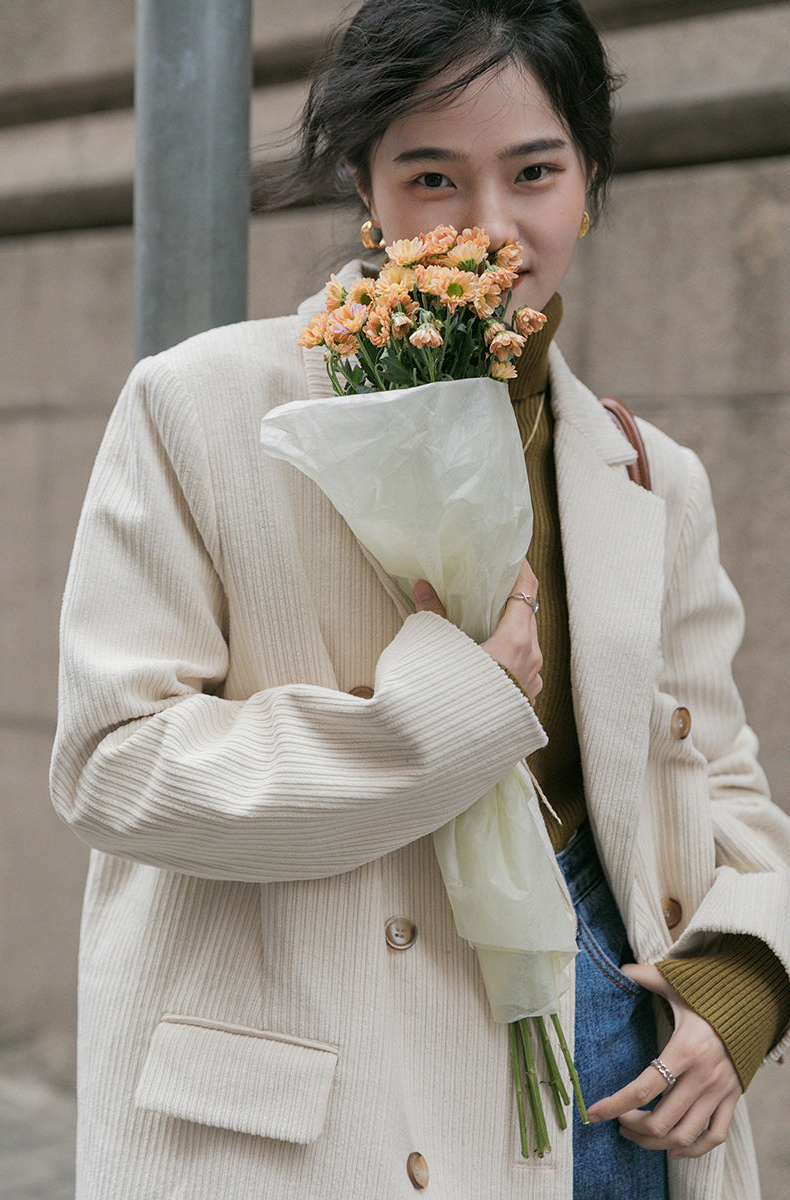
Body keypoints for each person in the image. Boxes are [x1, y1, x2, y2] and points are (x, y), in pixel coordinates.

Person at [50, 1, 790, 1197]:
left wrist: (742, 983)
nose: (491, 227)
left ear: (588, 178)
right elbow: (111, 766)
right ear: (366, 188)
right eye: (432, 176)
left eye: (534, 171)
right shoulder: (200, 408)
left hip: (612, 1064)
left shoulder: (648, 472)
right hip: (326, 1093)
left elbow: (715, 770)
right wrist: (438, 716)